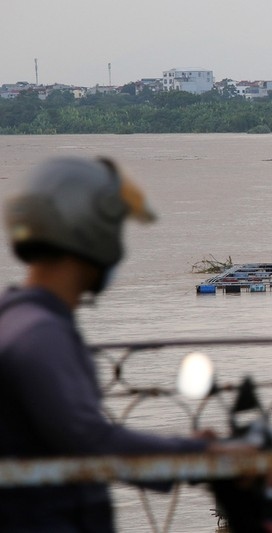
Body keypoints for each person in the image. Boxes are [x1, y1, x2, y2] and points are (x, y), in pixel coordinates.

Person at [0, 156, 217, 532]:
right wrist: (204, 455)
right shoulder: (42, 334)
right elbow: (92, 439)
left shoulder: (14, 317)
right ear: (92, 230)